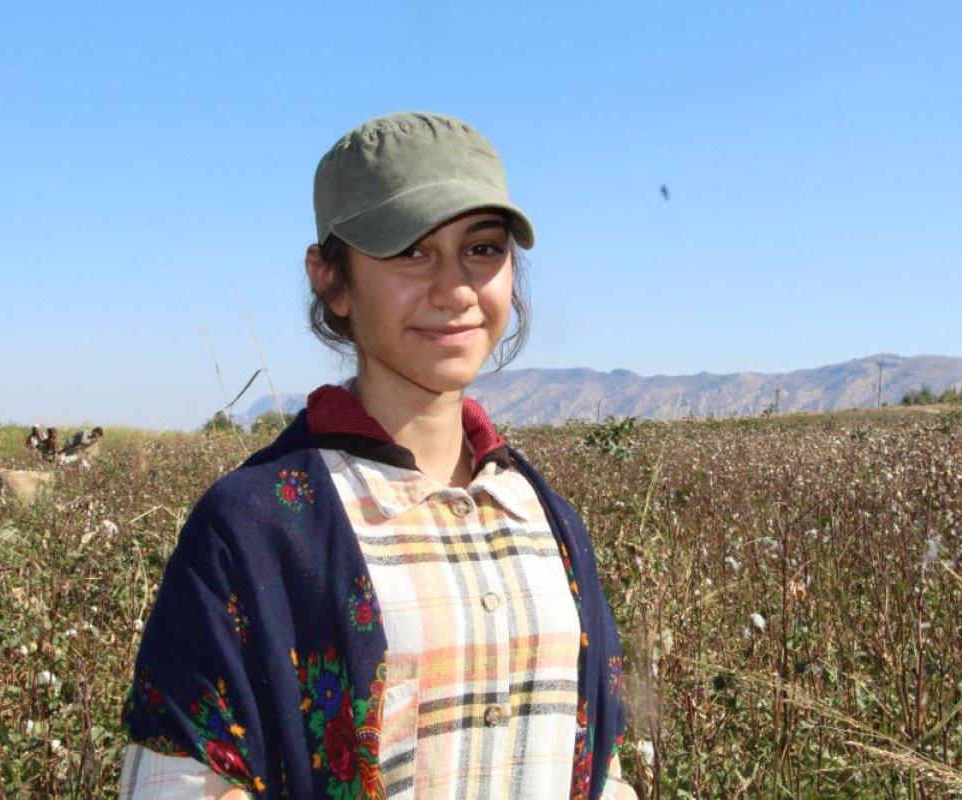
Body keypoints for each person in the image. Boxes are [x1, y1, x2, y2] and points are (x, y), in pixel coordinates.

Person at [119, 111, 635, 799]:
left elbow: (601, 771)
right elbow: (179, 780)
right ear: (330, 279)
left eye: (482, 249)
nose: (455, 290)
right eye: (411, 251)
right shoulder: (250, 528)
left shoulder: (548, 519)